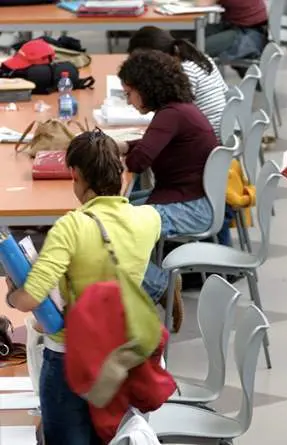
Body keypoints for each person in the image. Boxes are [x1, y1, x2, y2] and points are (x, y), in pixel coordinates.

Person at [5, 130, 163, 445]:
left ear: (75, 175)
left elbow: (30, 299)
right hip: (122, 354)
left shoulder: (71, 227)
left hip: (69, 358)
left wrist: (13, 291)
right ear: (120, 173)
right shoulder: (149, 219)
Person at [116, 49, 219, 332]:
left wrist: (122, 152)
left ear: (146, 88)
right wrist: (124, 146)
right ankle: (141, 287)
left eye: (129, 93)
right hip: (192, 199)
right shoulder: (179, 110)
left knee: (112, 231)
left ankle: (159, 284)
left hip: (191, 208)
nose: (128, 100)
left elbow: (139, 161)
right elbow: (152, 145)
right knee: (115, 216)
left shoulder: (170, 115)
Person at [127, 26, 229, 142]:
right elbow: (225, 91)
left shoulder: (182, 73)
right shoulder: (201, 59)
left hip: (206, 141)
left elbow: (173, 117)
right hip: (220, 132)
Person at [175, 0, 268, 74]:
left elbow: (202, 3)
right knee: (181, 35)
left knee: (198, 49)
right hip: (233, 25)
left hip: (249, 33)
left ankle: (192, 87)